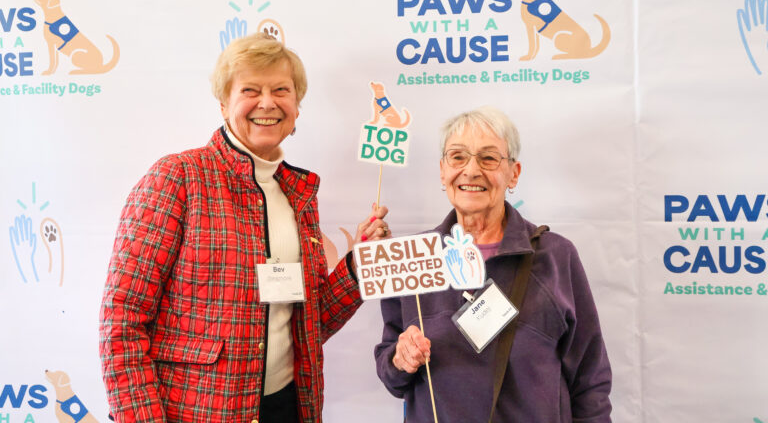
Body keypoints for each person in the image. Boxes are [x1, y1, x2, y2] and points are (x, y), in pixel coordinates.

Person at [100, 33, 389, 423]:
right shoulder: (178, 178)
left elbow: (310, 325)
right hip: (198, 412)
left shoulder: (298, 194)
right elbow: (122, 322)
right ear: (224, 103)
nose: (267, 103)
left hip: (288, 407)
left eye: (281, 90)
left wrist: (358, 265)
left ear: (297, 108)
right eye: (250, 89)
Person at [374, 107, 611, 422]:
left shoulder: (557, 257)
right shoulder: (412, 257)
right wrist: (399, 359)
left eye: (488, 158)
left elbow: (590, 379)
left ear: (514, 173)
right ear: (442, 170)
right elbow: (392, 375)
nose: (471, 171)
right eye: (457, 157)